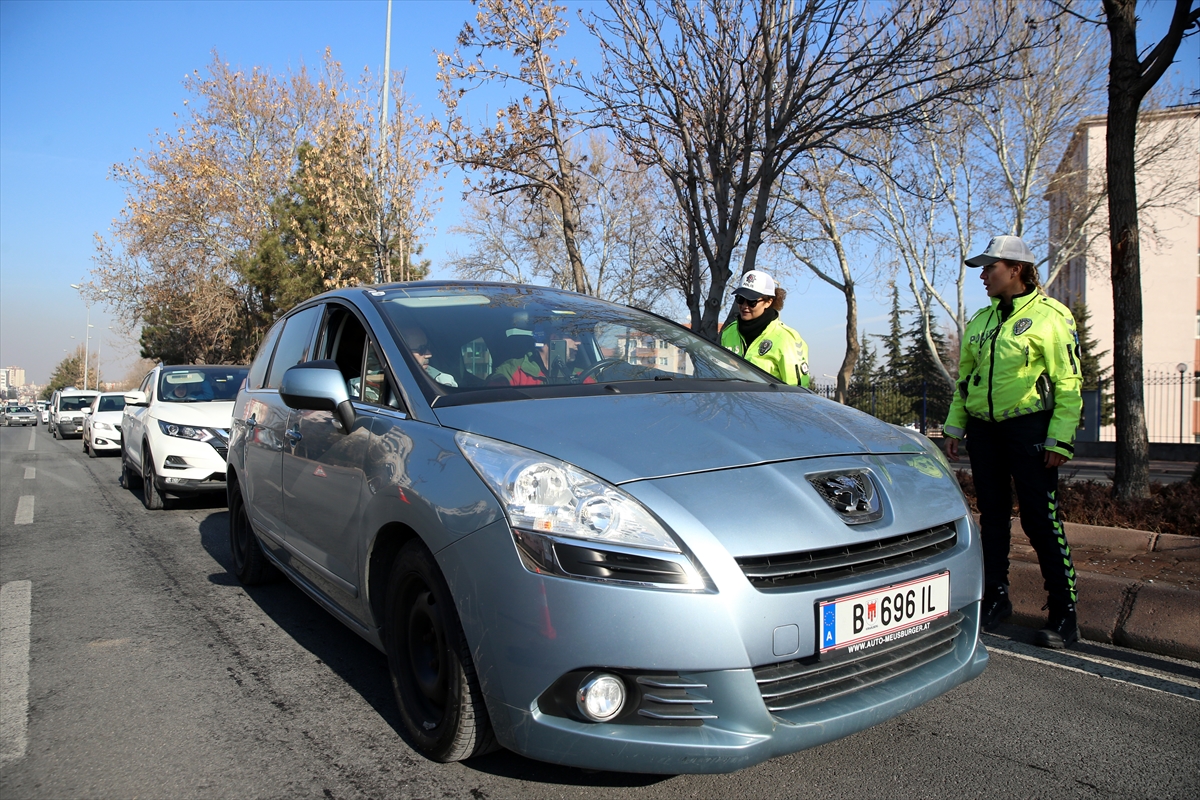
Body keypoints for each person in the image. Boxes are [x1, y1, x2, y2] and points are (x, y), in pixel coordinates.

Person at [943, 235, 1083, 648]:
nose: (983, 276)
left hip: (1030, 429)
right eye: (982, 269)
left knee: (1041, 521)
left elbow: (1069, 381)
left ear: (1016, 269)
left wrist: (1060, 438)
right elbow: (965, 380)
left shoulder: (1051, 316)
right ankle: (996, 600)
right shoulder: (981, 321)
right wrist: (955, 428)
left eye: (990, 268)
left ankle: (1064, 614)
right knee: (993, 517)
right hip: (985, 432)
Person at [720, 270, 810, 387]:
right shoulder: (728, 333)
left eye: (752, 301)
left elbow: (797, 393)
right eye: (740, 299)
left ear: (768, 302)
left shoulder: (786, 339)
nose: (744, 306)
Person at [488, 324, 596, 386]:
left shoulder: (582, 376)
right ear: (554, 338)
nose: (579, 342)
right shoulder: (513, 372)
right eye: (573, 336)